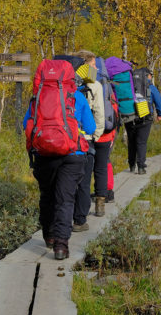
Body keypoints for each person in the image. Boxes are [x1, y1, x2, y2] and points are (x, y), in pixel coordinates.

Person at [24, 61, 96, 260]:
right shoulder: (77, 97)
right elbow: (90, 128)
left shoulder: (37, 98)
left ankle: (48, 236)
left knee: (47, 196)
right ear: (70, 79)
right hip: (72, 156)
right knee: (65, 200)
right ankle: (61, 246)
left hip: (43, 154)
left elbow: (26, 124)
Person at [72, 51, 104, 231]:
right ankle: (79, 220)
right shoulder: (95, 85)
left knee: (67, 182)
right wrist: (96, 135)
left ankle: (64, 219)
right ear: (85, 66)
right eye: (93, 65)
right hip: (85, 139)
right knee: (84, 181)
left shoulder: (63, 84)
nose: (96, 68)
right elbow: (99, 112)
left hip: (64, 138)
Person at [125, 69, 161, 174]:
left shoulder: (130, 86)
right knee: (141, 142)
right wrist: (160, 114)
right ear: (148, 76)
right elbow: (158, 102)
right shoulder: (151, 87)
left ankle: (131, 165)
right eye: (151, 75)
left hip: (130, 117)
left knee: (131, 142)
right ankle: (141, 167)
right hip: (145, 118)